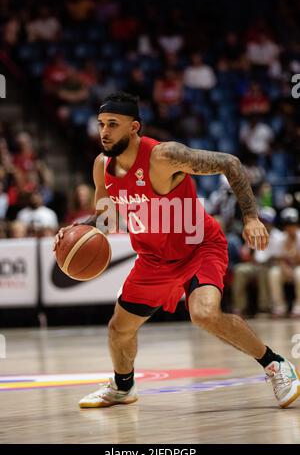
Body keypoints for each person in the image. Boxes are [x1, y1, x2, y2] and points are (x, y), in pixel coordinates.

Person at [54, 92, 300, 409]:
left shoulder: (163, 156)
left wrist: (251, 216)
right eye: (101, 124)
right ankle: (123, 386)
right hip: (154, 259)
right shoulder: (102, 166)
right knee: (119, 328)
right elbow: (108, 216)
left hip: (199, 247)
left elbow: (230, 163)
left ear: (134, 127)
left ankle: (275, 364)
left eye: (113, 124)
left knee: (204, 313)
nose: (104, 131)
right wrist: (78, 230)